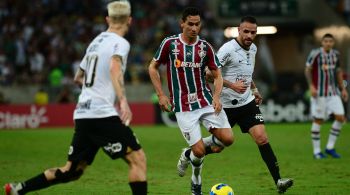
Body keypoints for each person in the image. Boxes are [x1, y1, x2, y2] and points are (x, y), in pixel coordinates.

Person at [4, 1, 147, 195]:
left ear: (107, 19)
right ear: (129, 20)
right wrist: (122, 100)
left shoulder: (95, 43)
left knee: (71, 171)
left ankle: (18, 189)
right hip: (101, 114)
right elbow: (115, 67)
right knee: (138, 159)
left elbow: (77, 77)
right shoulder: (121, 43)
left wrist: (93, 87)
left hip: (83, 114)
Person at [148, 7, 233, 195]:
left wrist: (217, 97)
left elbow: (217, 76)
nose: (195, 28)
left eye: (197, 24)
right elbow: (153, 67)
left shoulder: (205, 47)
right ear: (182, 24)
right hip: (183, 106)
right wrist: (161, 95)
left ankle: (188, 153)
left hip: (205, 101)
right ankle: (196, 185)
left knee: (227, 139)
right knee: (201, 152)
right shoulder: (170, 44)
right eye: (191, 24)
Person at [212, 16, 293, 194]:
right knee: (217, 147)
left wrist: (254, 90)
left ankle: (278, 180)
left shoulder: (254, 48)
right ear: (239, 30)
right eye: (246, 31)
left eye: (253, 32)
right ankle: (190, 153)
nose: (249, 35)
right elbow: (209, 74)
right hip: (226, 105)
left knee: (262, 138)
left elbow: (246, 74)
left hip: (247, 103)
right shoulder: (227, 49)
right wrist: (232, 85)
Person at [305, 33, 348, 159]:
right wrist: (311, 86)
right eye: (326, 41)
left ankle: (330, 147)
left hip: (333, 92)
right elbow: (307, 69)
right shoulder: (315, 54)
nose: (328, 43)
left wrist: (343, 89)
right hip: (319, 93)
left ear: (333, 43)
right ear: (322, 42)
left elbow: (339, 72)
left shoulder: (336, 55)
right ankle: (317, 151)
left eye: (330, 41)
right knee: (319, 120)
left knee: (340, 117)